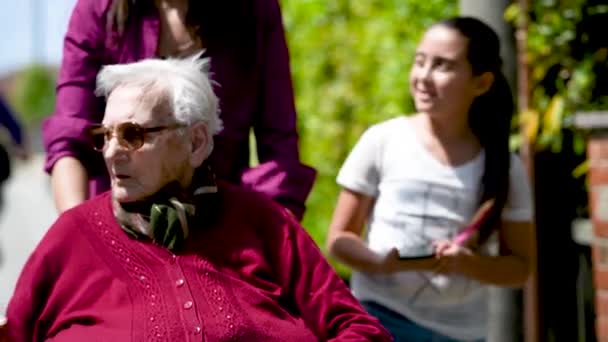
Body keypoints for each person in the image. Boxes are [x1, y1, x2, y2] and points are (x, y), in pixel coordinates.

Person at [2, 57, 392, 342]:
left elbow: (358, 328)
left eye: (134, 135)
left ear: (196, 141)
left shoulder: (261, 222)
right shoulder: (75, 235)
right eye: (104, 135)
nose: (111, 152)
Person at [326, 17, 534, 342]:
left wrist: (469, 265)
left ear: (481, 83)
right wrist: (379, 262)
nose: (423, 76)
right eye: (419, 61)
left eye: (443, 66)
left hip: (462, 334)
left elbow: (520, 267)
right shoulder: (382, 140)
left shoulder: (504, 166)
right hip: (379, 320)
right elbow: (339, 238)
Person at [44, 0, 315, 220]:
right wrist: (79, 235)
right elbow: (69, 140)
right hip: (118, 228)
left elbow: (280, 146)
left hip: (224, 230)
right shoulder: (96, 10)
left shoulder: (256, 10)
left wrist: (276, 243)